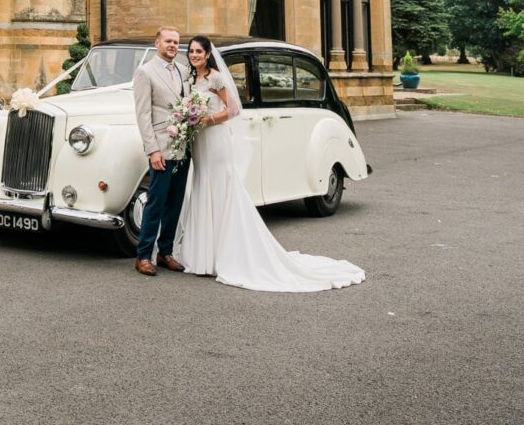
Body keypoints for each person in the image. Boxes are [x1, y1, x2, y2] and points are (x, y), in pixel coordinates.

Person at [175, 35, 366, 292]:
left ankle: (224, 252)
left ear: (208, 54)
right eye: (192, 51)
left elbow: (234, 109)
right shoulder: (191, 78)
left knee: (220, 186)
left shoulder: (216, 78)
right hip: (201, 143)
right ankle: (201, 254)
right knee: (202, 185)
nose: (195, 55)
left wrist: (207, 120)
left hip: (215, 139)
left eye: (199, 51)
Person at [131, 27, 190, 276]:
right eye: (168, 41)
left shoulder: (184, 71)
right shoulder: (145, 72)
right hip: (161, 148)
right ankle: (144, 255)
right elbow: (143, 114)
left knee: (175, 203)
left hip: (183, 147)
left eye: (176, 42)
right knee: (156, 203)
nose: (172, 45)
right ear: (157, 43)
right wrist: (152, 150)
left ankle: (165, 252)